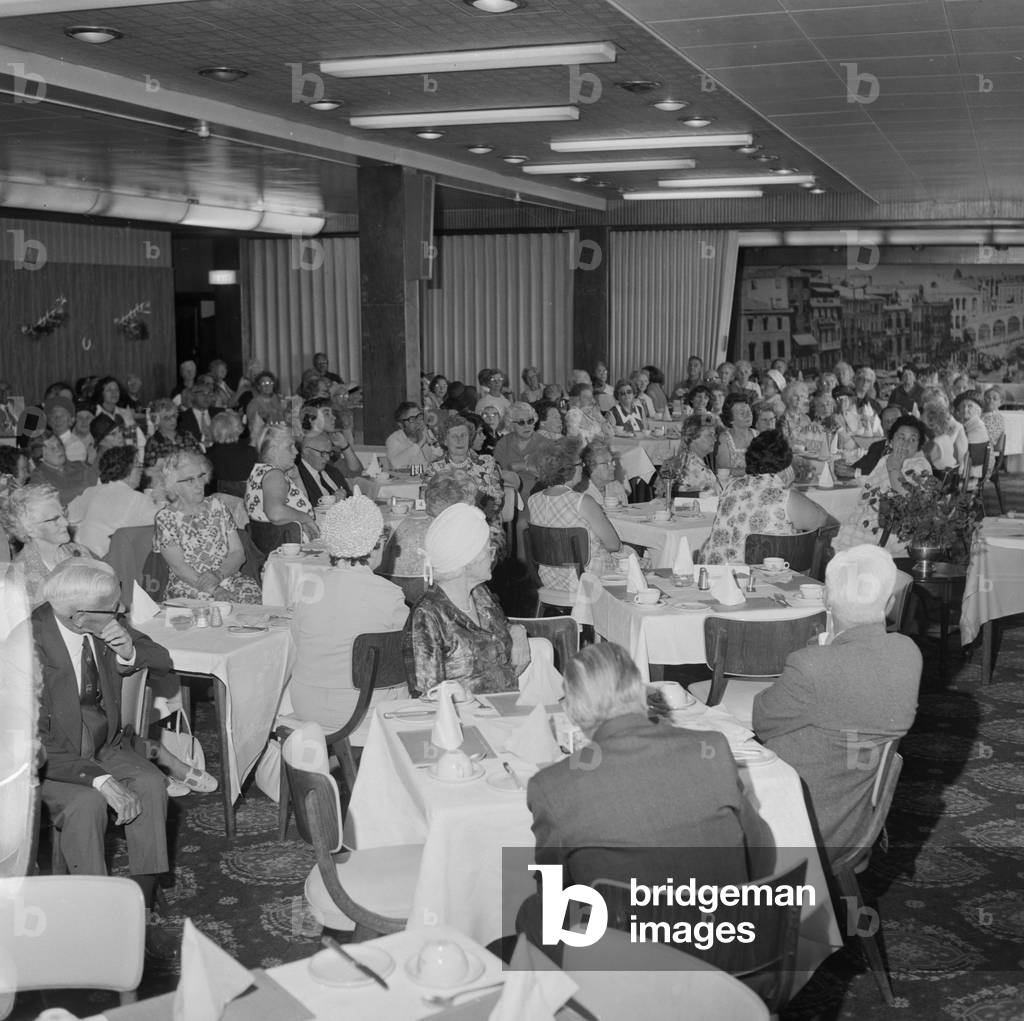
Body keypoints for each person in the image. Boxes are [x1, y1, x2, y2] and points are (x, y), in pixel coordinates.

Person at [519, 641, 773, 955]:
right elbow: (761, 856)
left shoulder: (551, 786)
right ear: (642, 694)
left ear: (571, 711)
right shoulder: (713, 747)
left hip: (628, 969)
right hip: (728, 955)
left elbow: (555, 896)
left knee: (529, 913)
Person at [31, 559, 175, 947]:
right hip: (48, 762)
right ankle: (92, 915)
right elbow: (33, 740)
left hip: (102, 743)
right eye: (115, 607)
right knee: (88, 804)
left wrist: (128, 650)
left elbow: (162, 660)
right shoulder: (26, 645)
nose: (123, 610)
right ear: (78, 616)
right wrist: (98, 777)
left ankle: (142, 901)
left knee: (149, 782)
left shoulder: (98, 619)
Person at [753, 545, 921, 860]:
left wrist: (818, 649)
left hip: (797, 829)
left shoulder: (811, 666)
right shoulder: (909, 654)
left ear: (827, 599)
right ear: (890, 603)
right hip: (854, 826)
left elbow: (760, 720)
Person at [288, 494, 409, 744]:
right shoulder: (390, 595)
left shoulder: (307, 585)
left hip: (305, 705)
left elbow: (297, 642)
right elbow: (404, 657)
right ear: (377, 544)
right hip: (362, 711)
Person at [405, 504, 529, 695]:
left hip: (505, 708)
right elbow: (428, 695)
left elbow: (502, 628)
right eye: (489, 550)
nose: (494, 557)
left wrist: (518, 631)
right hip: (464, 718)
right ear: (468, 561)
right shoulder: (428, 615)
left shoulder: (480, 594)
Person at [701, 430, 836, 565]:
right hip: (758, 578)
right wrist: (790, 488)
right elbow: (825, 522)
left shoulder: (732, 485)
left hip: (712, 572)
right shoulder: (784, 497)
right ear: (787, 463)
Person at [155, 450, 261, 604]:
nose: (199, 484)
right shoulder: (166, 518)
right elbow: (179, 568)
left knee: (251, 594)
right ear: (174, 486)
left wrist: (218, 575)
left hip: (226, 577)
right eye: (190, 480)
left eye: (200, 476)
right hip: (190, 586)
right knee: (212, 605)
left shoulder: (218, 507)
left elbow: (238, 553)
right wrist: (215, 589)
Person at [528, 438, 622, 592]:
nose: (583, 467)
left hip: (550, 579)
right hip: (585, 580)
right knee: (637, 562)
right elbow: (614, 545)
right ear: (569, 469)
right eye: (580, 463)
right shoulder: (583, 502)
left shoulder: (533, 500)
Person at [832, 415, 932, 554]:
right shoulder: (886, 459)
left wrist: (894, 470)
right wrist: (855, 474)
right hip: (865, 521)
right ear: (891, 442)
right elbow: (873, 483)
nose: (906, 443)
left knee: (831, 536)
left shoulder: (920, 465)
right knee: (828, 522)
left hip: (886, 534)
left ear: (917, 447)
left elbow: (912, 500)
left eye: (912, 440)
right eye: (901, 437)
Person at [379, 468, 476, 581]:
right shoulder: (453, 533)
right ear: (463, 504)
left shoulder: (407, 524)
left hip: (397, 590)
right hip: (432, 591)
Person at [67, 447, 161, 558]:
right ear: (126, 469)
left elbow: (68, 516)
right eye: (138, 466)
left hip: (81, 556)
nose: (141, 470)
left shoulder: (91, 491)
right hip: (110, 562)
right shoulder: (138, 499)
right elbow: (165, 523)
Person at [245, 425, 319, 540]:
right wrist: (306, 518)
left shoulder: (260, 472)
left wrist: (297, 479)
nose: (296, 452)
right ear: (273, 450)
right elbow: (276, 513)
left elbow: (302, 504)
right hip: (288, 548)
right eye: (290, 446)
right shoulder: (274, 475)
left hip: (282, 545)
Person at [427, 414, 505, 522]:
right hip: (448, 522)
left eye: (464, 435)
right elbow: (430, 502)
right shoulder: (434, 468)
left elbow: (498, 499)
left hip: (484, 521)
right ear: (445, 441)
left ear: (470, 438)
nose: (460, 440)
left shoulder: (487, 462)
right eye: (454, 436)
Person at [28, 429, 98, 506]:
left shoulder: (80, 465)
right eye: (53, 448)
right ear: (41, 456)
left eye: (59, 445)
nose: (59, 450)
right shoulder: (38, 479)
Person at [492, 401, 550, 494]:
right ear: (511, 424)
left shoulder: (546, 444)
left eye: (530, 421)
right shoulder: (503, 444)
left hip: (538, 497)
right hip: (510, 497)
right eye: (521, 422)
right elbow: (497, 474)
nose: (527, 426)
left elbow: (550, 474)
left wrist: (523, 466)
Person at [662, 415, 721, 494]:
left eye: (714, 435)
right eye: (710, 435)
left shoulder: (685, 457)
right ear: (693, 437)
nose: (715, 439)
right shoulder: (692, 465)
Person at [205, 409, 258, 495]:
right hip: (247, 499)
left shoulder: (208, 457)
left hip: (219, 502)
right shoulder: (251, 453)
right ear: (238, 428)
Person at [143, 397, 202, 469]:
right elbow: (150, 471)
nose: (173, 420)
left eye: (174, 415)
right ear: (157, 420)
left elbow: (200, 459)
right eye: (167, 417)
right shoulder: (153, 442)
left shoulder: (187, 435)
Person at [385, 401, 442, 469]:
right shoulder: (394, 439)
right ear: (401, 425)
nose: (418, 421)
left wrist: (430, 441)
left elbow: (439, 456)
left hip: (428, 477)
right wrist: (419, 443)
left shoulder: (426, 432)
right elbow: (394, 465)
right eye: (412, 419)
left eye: (419, 416)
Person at [578, 438, 628, 507]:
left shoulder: (616, 487)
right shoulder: (582, 492)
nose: (613, 468)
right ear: (591, 466)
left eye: (612, 462)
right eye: (606, 463)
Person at [716, 393, 756, 476]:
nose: (748, 415)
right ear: (731, 419)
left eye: (749, 411)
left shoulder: (758, 435)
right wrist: (751, 470)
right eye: (742, 413)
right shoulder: (724, 440)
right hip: (732, 485)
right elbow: (723, 472)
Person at [46, 395, 88, 463]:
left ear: (72, 420)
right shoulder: (44, 442)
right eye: (53, 415)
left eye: (62, 415)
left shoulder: (76, 446)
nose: (58, 419)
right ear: (48, 421)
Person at [177, 381, 217, 447]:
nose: (207, 397)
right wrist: (205, 437)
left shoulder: (219, 413)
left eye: (210, 394)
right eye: (203, 394)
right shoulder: (183, 417)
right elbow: (185, 436)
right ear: (192, 395)